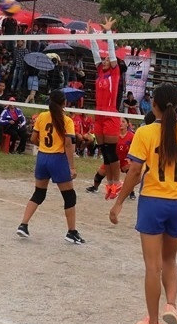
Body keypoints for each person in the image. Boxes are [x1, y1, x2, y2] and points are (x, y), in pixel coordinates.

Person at [109, 83, 177, 324]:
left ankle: (153, 322)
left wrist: (119, 202)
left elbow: (134, 171)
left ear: (154, 105)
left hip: (153, 202)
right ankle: (171, 306)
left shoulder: (145, 132)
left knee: (152, 266)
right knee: (169, 260)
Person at [16, 89, 84, 244]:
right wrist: (72, 167)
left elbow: (33, 138)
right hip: (57, 159)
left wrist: (44, 147)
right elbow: (68, 144)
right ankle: (72, 232)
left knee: (39, 193)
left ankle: (23, 225)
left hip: (42, 158)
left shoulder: (42, 116)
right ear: (64, 103)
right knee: (69, 196)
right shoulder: (67, 120)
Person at [93, 17, 123, 200]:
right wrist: (92, 35)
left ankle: (116, 183)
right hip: (99, 115)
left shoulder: (115, 72)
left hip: (110, 114)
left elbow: (111, 53)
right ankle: (110, 183)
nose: (105, 61)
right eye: (103, 60)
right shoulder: (100, 72)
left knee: (112, 152)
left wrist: (108, 32)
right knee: (104, 152)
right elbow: (95, 53)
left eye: (107, 60)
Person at [86, 117, 135, 199]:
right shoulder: (113, 135)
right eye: (119, 121)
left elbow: (135, 149)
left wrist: (130, 158)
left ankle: (131, 192)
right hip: (112, 159)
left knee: (130, 174)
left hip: (125, 159)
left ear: (127, 124)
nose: (121, 123)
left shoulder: (132, 136)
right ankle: (95, 187)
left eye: (123, 122)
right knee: (98, 176)